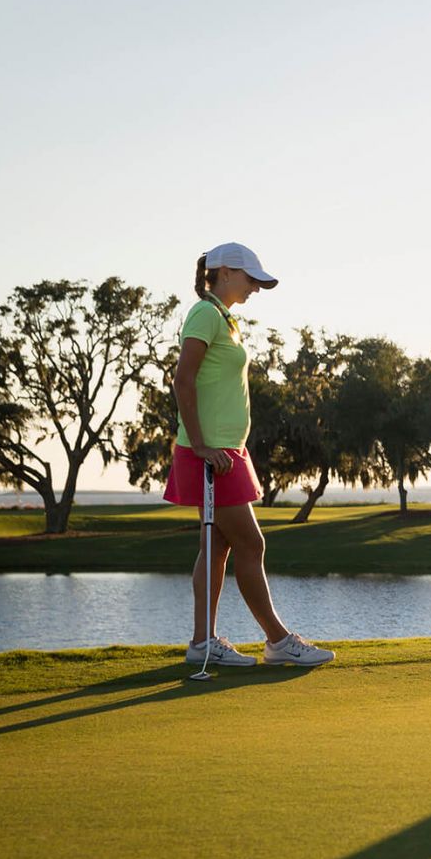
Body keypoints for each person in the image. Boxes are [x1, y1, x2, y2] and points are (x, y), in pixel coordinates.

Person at [163, 243, 335, 668]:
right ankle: (278, 641)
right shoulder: (204, 313)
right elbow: (182, 380)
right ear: (224, 273)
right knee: (250, 542)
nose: (256, 287)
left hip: (227, 451)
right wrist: (202, 445)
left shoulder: (225, 318)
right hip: (211, 452)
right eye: (250, 279)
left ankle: (203, 642)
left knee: (218, 544)